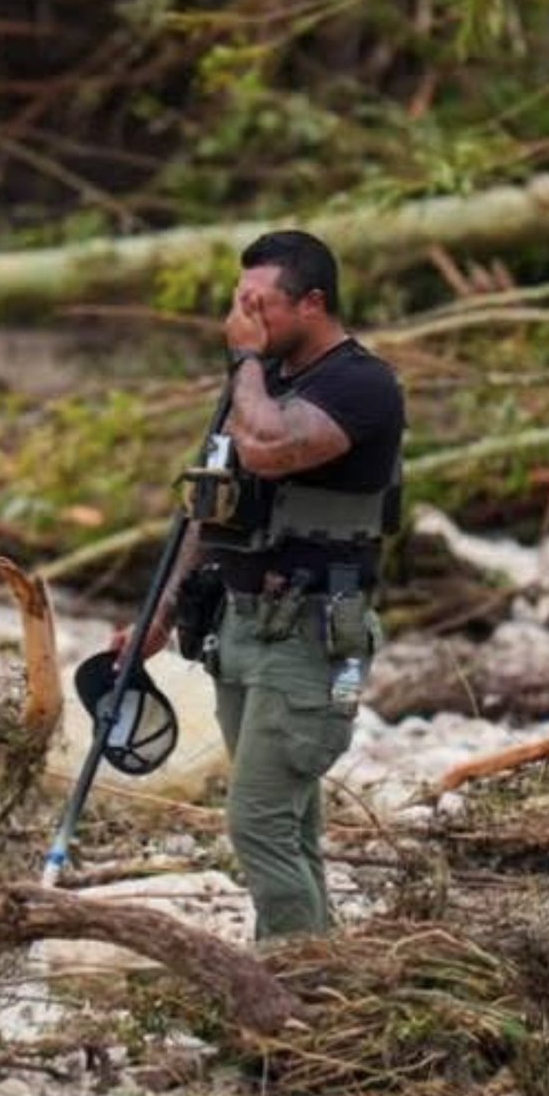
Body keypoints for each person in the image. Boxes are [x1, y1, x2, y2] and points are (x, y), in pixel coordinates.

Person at [113, 229, 404, 940]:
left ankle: (287, 981)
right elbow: (207, 509)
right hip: (240, 629)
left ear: (311, 303)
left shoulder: (361, 384)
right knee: (290, 824)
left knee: (258, 822)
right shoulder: (261, 384)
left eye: (258, 303)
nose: (241, 318)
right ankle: (322, 973)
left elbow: (271, 449)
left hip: (313, 638)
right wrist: (161, 614)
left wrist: (244, 362)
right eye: (238, 302)